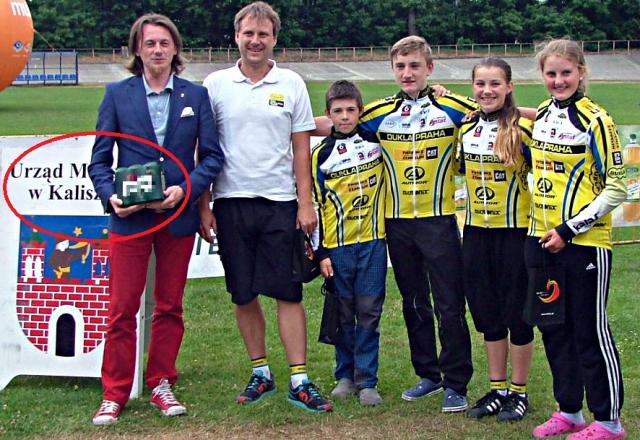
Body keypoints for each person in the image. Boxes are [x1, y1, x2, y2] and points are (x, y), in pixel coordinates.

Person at [88, 13, 224, 425]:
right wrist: (112, 198)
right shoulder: (117, 94)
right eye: (150, 43)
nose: (158, 50)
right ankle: (114, 392)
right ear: (137, 49)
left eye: (165, 43)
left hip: (177, 219)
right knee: (122, 308)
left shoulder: (195, 96)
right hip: (130, 220)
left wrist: (187, 189)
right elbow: (99, 161)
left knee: (169, 306)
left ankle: (161, 381)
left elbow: (212, 157)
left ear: (175, 48)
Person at [200, 1, 332, 413]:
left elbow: (301, 148)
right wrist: (204, 205)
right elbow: (203, 148)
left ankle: (299, 378)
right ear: (236, 36)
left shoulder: (290, 82)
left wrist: (305, 203)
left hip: (280, 203)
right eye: (248, 33)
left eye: (263, 34)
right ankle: (260, 372)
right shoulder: (215, 84)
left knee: (288, 292)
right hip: (230, 202)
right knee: (243, 293)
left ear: (274, 38)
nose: (255, 41)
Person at [356, 35, 477, 412]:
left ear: (430, 68)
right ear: (393, 70)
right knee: (413, 302)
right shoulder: (377, 113)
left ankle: (456, 382)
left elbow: (497, 110)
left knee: (449, 303)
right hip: (397, 223)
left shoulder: (452, 106)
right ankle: (428, 373)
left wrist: (449, 94)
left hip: (438, 220)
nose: (407, 73)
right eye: (400, 66)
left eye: (414, 66)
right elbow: (339, 123)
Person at [527, 39, 627, 440]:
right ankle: (569, 410)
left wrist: (569, 229)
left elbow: (618, 187)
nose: (558, 80)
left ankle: (609, 420)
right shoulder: (541, 114)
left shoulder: (597, 120)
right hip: (541, 240)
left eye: (566, 72)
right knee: (554, 329)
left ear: (581, 72)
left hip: (584, 243)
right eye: (551, 73)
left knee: (590, 331)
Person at [457, 57, 534, 422]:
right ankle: (497, 388)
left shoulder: (525, 129)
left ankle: (519, 392)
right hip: (475, 233)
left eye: (495, 84)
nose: (487, 91)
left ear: (509, 87)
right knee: (487, 314)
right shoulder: (465, 127)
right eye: (480, 84)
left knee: (517, 314)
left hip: (515, 233)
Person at [311, 80, 387, 406]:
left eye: (350, 110)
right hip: (337, 247)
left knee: (369, 311)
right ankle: (344, 374)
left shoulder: (376, 142)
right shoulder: (320, 154)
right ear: (328, 114)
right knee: (343, 313)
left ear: (360, 111)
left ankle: (367, 379)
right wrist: (322, 252)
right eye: (338, 111)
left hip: (373, 242)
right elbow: (316, 206)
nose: (344, 116)